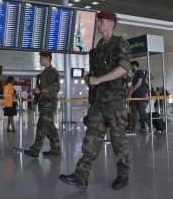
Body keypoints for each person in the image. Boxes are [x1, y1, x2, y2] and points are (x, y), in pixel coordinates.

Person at [59, 11, 130, 190]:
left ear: (111, 23)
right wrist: (89, 77)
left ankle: (123, 174)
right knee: (91, 139)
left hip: (114, 102)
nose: (98, 23)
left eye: (102, 21)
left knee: (118, 141)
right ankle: (81, 176)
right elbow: (96, 73)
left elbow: (123, 69)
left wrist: (98, 80)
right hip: (98, 102)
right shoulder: (97, 49)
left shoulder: (120, 43)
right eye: (98, 21)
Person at [24, 51, 61, 158]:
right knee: (50, 128)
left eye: (41, 58)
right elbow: (41, 89)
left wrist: (42, 91)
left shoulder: (53, 72)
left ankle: (35, 150)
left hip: (49, 104)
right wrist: (36, 91)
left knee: (41, 125)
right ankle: (56, 149)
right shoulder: (42, 74)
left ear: (48, 58)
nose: (40, 60)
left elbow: (56, 87)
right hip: (43, 103)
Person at [128, 61, 151, 133]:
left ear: (134, 65)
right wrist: (130, 92)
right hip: (134, 97)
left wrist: (132, 91)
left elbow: (139, 83)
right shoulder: (134, 75)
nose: (130, 68)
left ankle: (151, 125)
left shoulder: (140, 72)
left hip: (140, 95)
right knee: (133, 113)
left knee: (142, 113)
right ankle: (133, 129)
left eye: (131, 66)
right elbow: (132, 85)